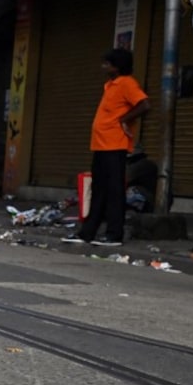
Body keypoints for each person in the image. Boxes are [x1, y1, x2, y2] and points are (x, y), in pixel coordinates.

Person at [63, 48, 149, 247]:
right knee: (99, 190)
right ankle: (88, 232)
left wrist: (124, 120)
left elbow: (144, 105)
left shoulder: (126, 83)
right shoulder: (110, 85)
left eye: (107, 64)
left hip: (114, 145)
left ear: (117, 66)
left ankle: (114, 234)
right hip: (102, 145)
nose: (104, 67)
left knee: (114, 190)